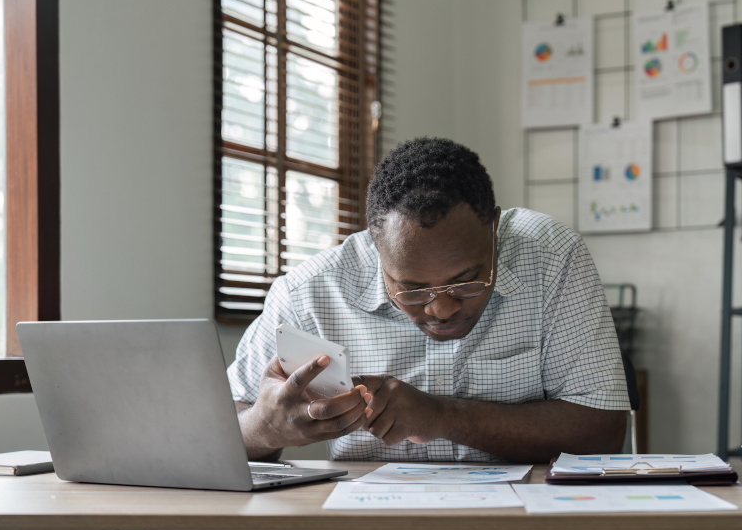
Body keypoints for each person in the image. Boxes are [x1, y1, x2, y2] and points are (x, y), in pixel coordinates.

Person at [228, 137, 629, 462]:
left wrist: (442, 416)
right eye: (412, 289)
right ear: (374, 246)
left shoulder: (551, 257)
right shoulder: (309, 292)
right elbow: (220, 435)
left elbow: (603, 433)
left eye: (468, 280)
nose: (442, 309)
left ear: (494, 227)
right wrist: (266, 427)